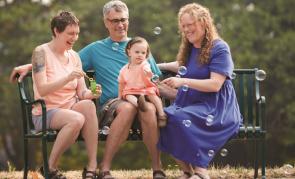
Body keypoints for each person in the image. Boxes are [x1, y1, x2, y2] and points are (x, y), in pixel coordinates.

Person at [10, 1, 167, 179]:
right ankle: (99, 168)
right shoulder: (94, 49)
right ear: (106, 22)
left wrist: (91, 93)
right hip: (109, 105)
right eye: (114, 20)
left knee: (149, 109)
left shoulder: (140, 46)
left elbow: (154, 77)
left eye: (123, 19)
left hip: (140, 97)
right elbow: (52, 60)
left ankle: (154, 168)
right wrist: (30, 66)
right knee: (125, 108)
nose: (120, 24)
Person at [157, 3, 242, 179]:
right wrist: (154, 65)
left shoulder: (219, 48)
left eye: (191, 24)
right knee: (163, 118)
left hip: (217, 107)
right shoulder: (190, 47)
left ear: (204, 23)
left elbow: (215, 85)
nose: (187, 30)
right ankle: (188, 172)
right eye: (184, 26)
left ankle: (201, 172)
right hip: (195, 103)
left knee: (180, 118)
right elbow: (180, 65)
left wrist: (181, 81)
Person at [30, 11, 100, 179]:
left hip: (70, 107)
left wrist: (91, 93)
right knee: (76, 119)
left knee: (88, 106)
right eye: (70, 33)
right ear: (56, 31)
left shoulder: (74, 56)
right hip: (45, 111)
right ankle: (50, 168)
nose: (74, 37)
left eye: (77, 33)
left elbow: (81, 93)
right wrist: (67, 77)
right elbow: (43, 89)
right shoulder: (40, 52)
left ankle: (92, 166)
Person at [118, 36, 167, 127]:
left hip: (145, 88)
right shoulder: (124, 69)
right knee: (127, 95)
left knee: (152, 95)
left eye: (143, 53)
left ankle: (161, 114)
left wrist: (148, 72)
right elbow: (121, 83)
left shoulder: (144, 65)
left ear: (146, 55)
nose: (140, 55)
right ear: (129, 52)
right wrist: (119, 97)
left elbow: (148, 73)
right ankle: (139, 104)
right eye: (137, 52)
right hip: (132, 90)